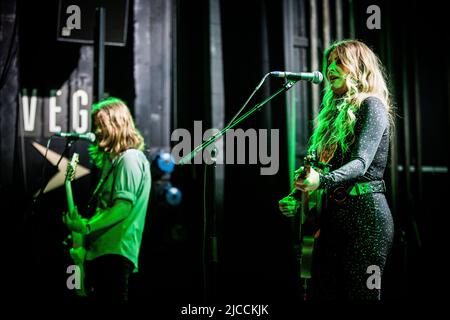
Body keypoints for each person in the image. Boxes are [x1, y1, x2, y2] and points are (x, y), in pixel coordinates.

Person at [279, 39, 394, 300]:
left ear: (359, 67)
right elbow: (321, 168)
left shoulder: (371, 105)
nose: (330, 68)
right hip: (333, 220)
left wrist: (322, 180)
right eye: (329, 62)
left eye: (339, 61)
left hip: (366, 218)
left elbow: (360, 163)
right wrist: (297, 197)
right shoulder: (332, 116)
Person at [63, 97, 151, 302]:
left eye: (101, 125)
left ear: (117, 124)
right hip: (100, 255)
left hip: (114, 256)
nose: (96, 131)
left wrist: (85, 226)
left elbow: (122, 209)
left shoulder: (130, 158)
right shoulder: (113, 164)